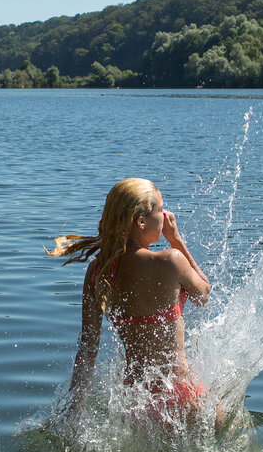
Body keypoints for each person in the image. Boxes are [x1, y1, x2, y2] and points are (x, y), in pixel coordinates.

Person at [46, 178, 212, 426]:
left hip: (136, 401)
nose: (166, 216)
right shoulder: (170, 260)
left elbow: (88, 347)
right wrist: (176, 239)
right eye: (161, 209)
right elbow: (204, 294)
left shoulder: (98, 271)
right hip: (180, 394)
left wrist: (73, 405)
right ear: (141, 221)